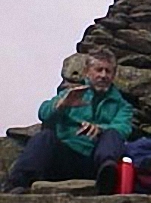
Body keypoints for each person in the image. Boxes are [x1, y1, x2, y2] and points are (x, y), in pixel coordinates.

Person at [5, 47, 133, 194]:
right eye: (99, 70)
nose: (103, 75)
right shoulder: (71, 94)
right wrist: (61, 106)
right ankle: (16, 185)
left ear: (114, 75)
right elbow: (43, 112)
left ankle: (107, 180)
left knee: (113, 134)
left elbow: (123, 128)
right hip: (65, 157)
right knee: (45, 137)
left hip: (95, 161)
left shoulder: (122, 106)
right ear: (87, 72)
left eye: (108, 71)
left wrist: (100, 129)